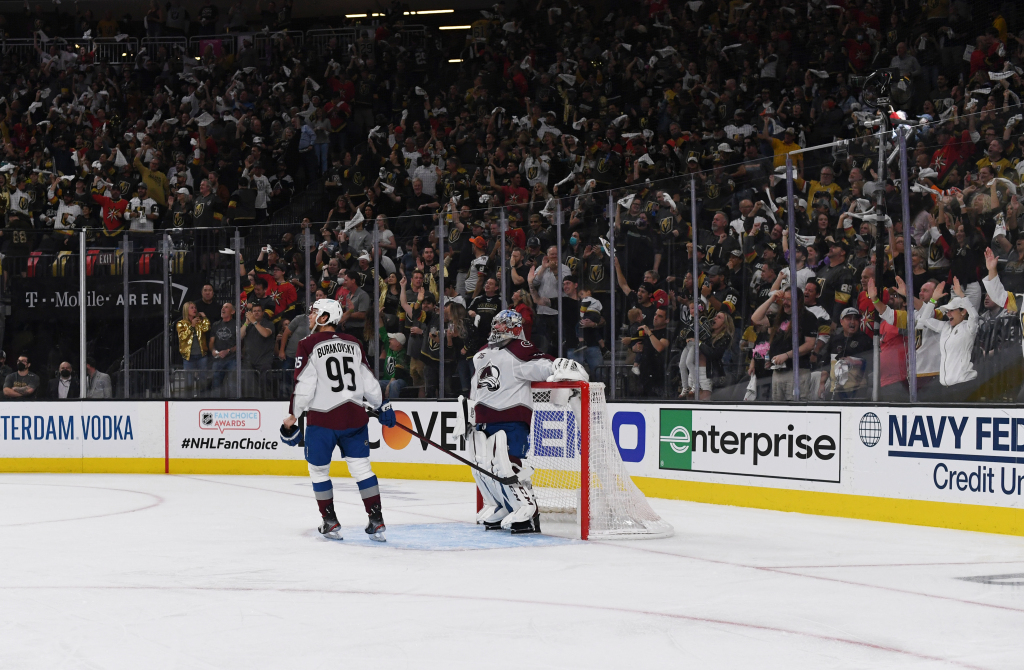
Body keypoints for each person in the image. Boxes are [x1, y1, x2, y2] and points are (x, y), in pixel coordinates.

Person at [279, 299, 396, 541]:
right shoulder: (354, 343)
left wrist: (293, 415)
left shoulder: (308, 344)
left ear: (324, 317)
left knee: (318, 471)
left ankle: (329, 521)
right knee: (362, 468)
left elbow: (304, 385)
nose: (309, 317)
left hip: (322, 419)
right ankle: (376, 520)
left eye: (313, 313)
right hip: (354, 417)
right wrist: (380, 404)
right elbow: (368, 380)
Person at [460, 309, 585, 534]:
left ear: (514, 328)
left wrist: (562, 367)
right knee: (484, 467)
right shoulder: (481, 354)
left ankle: (529, 512)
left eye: (501, 324)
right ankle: (503, 506)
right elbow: (475, 387)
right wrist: (469, 415)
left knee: (510, 465)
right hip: (484, 419)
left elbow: (544, 365)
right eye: (495, 323)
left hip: (511, 419)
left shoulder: (520, 349)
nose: (495, 328)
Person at [918, 276, 980, 400]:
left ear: (963, 312)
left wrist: (962, 296)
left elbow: (974, 315)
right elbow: (924, 320)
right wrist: (933, 300)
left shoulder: (968, 327)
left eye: (952, 310)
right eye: (947, 311)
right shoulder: (945, 327)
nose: (948, 314)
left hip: (964, 386)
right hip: (946, 388)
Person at [241, 302, 275, 397]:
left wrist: (254, 322)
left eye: (258, 311)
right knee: (250, 388)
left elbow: (265, 334)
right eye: (254, 311)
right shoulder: (249, 325)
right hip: (249, 362)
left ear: (263, 312)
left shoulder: (269, 324)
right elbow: (239, 336)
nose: (256, 313)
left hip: (264, 362)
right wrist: (247, 323)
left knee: (265, 388)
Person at [176, 301, 210, 392]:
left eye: (195, 307)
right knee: (189, 382)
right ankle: (188, 401)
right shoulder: (181, 323)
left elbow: (206, 328)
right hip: (188, 357)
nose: (194, 309)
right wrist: (192, 326)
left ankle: (203, 399)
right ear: (186, 310)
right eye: (192, 308)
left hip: (201, 355)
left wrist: (204, 317)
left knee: (203, 380)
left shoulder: (199, 321)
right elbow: (182, 336)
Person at [209, 303, 238, 396]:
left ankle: (234, 405)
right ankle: (216, 406)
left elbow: (240, 344)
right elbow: (211, 342)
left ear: (233, 311)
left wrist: (228, 351)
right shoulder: (216, 324)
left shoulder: (237, 325)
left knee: (233, 385)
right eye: (222, 307)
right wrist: (213, 351)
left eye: (226, 307)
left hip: (232, 359)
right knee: (216, 385)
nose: (223, 309)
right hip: (218, 359)